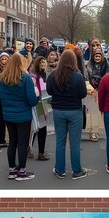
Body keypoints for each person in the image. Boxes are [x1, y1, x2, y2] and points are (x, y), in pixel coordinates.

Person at [0, 52, 39, 181]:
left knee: (12, 142)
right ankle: (22, 171)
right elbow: (32, 100)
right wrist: (37, 97)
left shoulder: (0, 79)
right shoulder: (26, 78)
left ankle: (12, 170)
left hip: (8, 115)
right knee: (22, 143)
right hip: (23, 115)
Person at [44, 49, 87, 179]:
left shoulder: (53, 75)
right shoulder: (78, 76)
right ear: (74, 61)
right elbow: (83, 94)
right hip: (74, 111)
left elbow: (49, 91)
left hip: (58, 111)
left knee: (60, 142)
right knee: (75, 143)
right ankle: (77, 170)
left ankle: (59, 170)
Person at [29, 56, 50, 161]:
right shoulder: (33, 76)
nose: (43, 64)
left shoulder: (44, 74)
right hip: (37, 103)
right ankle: (30, 150)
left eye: (44, 62)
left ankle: (40, 152)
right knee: (34, 129)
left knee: (42, 129)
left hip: (44, 103)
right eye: (41, 62)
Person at [86, 48, 108, 141]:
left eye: (99, 56)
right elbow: (87, 77)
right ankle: (93, 131)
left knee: (101, 112)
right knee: (92, 112)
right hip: (92, 91)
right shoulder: (89, 66)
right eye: (96, 56)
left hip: (104, 91)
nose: (97, 57)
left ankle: (99, 131)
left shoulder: (106, 66)